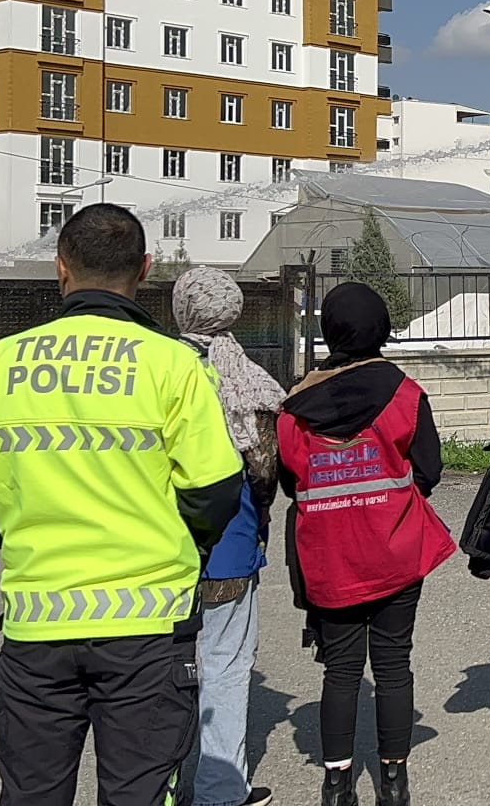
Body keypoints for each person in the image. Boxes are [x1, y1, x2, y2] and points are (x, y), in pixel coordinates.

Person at [0, 204, 241, 806]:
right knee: (139, 794)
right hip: (148, 626)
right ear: (145, 270)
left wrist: (23, 531)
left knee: (31, 795)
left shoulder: (2, 360)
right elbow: (214, 490)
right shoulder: (173, 364)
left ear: (61, 269)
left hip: (36, 622)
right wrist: (175, 537)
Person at [279, 282, 455, 806]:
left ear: (328, 329)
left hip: (329, 557)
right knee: (394, 665)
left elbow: (293, 482)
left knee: (341, 671)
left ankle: (336, 783)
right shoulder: (404, 392)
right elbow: (429, 470)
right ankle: (394, 781)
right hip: (395, 550)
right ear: (381, 328)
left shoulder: (294, 403)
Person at [174, 268, 286, 806]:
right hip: (231, 547)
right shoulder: (252, 381)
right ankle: (220, 789)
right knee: (225, 662)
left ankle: (159, 782)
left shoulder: (157, 370)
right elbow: (265, 472)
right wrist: (257, 514)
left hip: (159, 547)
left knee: (161, 666)